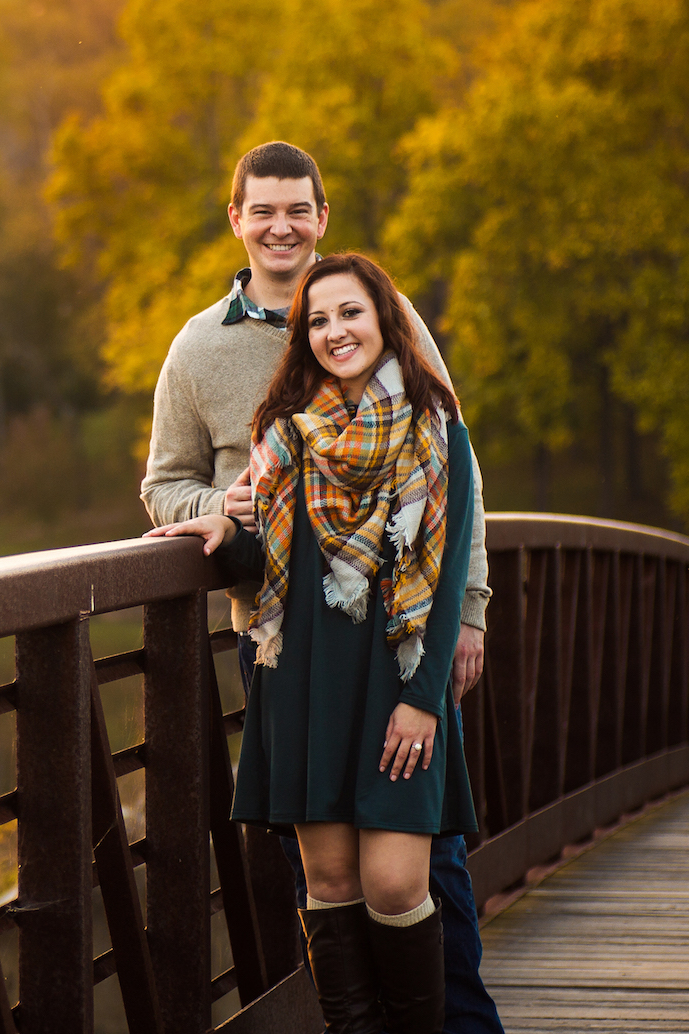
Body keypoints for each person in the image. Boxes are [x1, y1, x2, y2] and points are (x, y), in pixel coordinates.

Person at [139, 141, 503, 1033]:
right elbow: (167, 486)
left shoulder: (393, 319)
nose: (280, 225)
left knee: (422, 875)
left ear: (321, 216)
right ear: (236, 220)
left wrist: (470, 611)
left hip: (405, 641)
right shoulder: (205, 352)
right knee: (329, 879)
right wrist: (222, 509)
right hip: (289, 647)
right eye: (262, 210)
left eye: (297, 208)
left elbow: (460, 486)